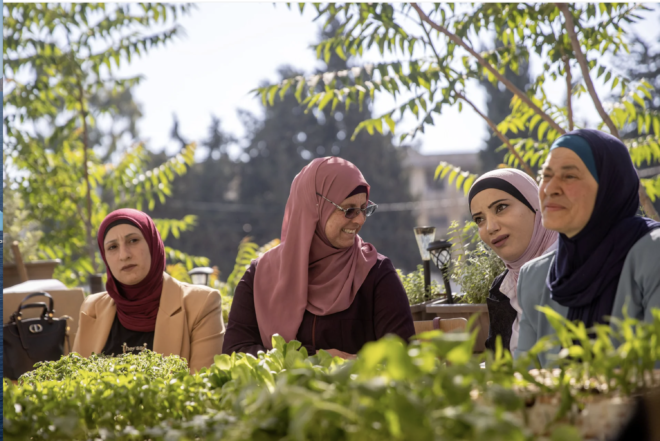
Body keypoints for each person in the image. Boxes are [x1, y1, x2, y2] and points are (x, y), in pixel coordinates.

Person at [222, 157, 415, 359]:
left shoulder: (376, 273)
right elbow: (234, 353)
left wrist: (350, 367)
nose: (359, 220)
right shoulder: (259, 276)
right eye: (349, 210)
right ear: (314, 208)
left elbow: (401, 359)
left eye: (364, 209)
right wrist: (315, 360)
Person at [515, 129, 660, 366]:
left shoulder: (653, 254)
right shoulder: (535, 277)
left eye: (569, 176)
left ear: (609, 185)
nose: (550, 188)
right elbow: (524, 379)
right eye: (546, 175)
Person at [72, 208, 225, 372]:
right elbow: (74, 385)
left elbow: (201, 387)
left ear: (153, 244)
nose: (124, 255)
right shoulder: (92, 308)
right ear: (105, 257)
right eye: (112, 247)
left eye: (133, 241)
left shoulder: (201, 304)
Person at [468, 169, 557, 353]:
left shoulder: (572, 268)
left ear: (535, 205)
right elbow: (499, 366)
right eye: (479, 219)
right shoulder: (501, 289)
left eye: (500, 208)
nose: (490, 227)